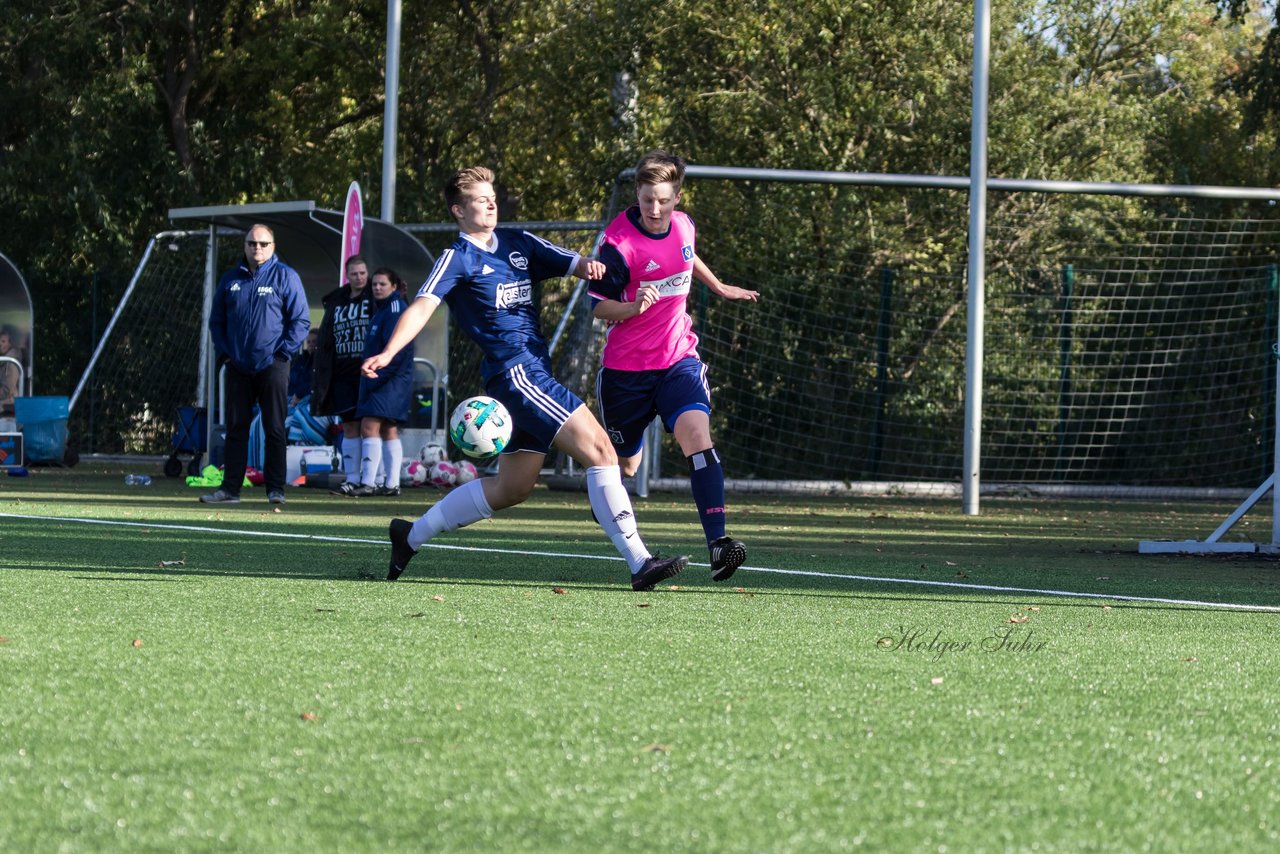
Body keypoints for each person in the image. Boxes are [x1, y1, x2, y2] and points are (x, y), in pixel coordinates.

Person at [362, 166, 688, 590]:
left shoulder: (516, 242)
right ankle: (641, 562)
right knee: (602, 451)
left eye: (492, 195)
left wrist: (597, 266)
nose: (491, 203)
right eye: (480, 199)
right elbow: (424, 305)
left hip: (531, 371)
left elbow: (575, 264)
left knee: (513, 488)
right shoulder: (457, 257)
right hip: (516, 374)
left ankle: (410, 535)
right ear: (458, 210)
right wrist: (389, 350)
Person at [589, 150, 760, 582]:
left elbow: (685, 255)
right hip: (626, 373)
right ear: (638, 195)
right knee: (625, 466)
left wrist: (718, 286)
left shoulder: (684, 224)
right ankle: (608, 504)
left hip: (677, 359)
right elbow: (597, 309)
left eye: (664, 200)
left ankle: (719, 545)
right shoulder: (617, 243)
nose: (655, 209)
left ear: (677, 196)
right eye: (648, 200)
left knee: (697, 436)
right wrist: (631, 307)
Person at [202, 224, 310, 505]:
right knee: (236, 428)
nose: (257, 248)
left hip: (273, 366)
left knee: (274, 428)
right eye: (252, 243)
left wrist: (282, 354)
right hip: (239, 366)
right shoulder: (230, 280)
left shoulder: (286, 276)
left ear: (272, 246)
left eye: (263, 243)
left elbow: (300, 321)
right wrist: (226, 353)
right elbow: (217, 323)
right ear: (245, 245)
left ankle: (276, 489)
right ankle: (230, 490)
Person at [342, 268, 414, 497]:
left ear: (394, 287)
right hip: (384, 377)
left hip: (388, 378)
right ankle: (392, 484)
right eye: (374, 285)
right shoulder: (383, 310)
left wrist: (378, 374)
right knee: (388, 429)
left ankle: (369, 483)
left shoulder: (394, 309)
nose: (377, 288)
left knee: (369, 427)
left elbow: (396, 350)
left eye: (382, 284)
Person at [312, 254, 374, 488]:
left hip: (368, 373)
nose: (359, 278)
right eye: (354, 274)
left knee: (369, 426)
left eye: (362, 273)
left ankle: (372, 480)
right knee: (349, 426)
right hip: (342, 374)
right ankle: (352, 479)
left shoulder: (375, 297)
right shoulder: (337, 301)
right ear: (346, 276)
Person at [289, 329, 319, 406]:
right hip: (290, 397)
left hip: (305, 400)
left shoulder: (322, 362)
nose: (311, 344)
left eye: (314, 341)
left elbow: (318, 383)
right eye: (308, 342)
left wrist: (299, 394)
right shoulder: (300, 359)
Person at [0, 328, 20, 416]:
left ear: (10, 343)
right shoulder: (4, 361)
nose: (0, 344)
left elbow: (7, 390)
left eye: (3, 341)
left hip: (9, 403)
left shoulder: (10, 362)